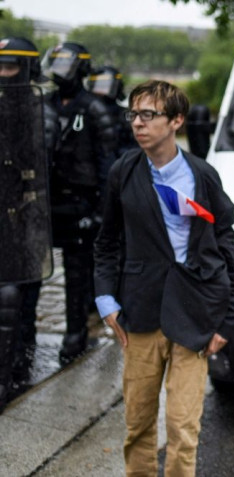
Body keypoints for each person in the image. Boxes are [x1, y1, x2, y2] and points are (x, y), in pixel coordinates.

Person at [93, 80, 234, 476]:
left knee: (182, 427)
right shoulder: (122, 172)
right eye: (133, 115)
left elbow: (226, 245)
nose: (137, 124)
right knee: (138, 424)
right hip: (140, 313)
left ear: (176, 120)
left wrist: (228, 318)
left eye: (148, 115)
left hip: (194, 313)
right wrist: (106, 302)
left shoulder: (203, 176)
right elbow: (106, 242)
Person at [38, 42, 119, 364]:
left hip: (81, 204)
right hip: (47, 201)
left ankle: (75, 335)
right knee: (33, 275)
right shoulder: (45, 103)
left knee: (77, 274)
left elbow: (107, 162)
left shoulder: (94, 108)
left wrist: (100, 211)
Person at [0, 36, 55, 411]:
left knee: (19, 295)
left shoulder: (40, 112)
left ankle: (16, 370)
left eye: (11, 67)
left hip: (25, 218)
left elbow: (41, 166)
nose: (4, 74)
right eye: (0, 66)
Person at [86, 65, 138, 155]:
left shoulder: (125, 115)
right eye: (98, 86)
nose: (100, 91)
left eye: (104, 86)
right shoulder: (83, 112)